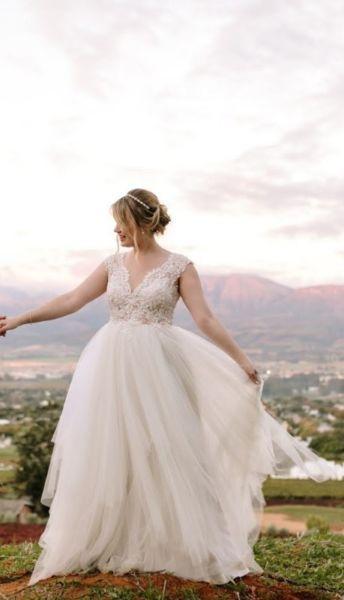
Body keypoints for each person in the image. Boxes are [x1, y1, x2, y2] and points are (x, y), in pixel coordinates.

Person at [0, 188, 336, 587]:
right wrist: (18, 320)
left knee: (167, 449)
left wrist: (241, 361)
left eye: (121, 223)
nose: (115, 230)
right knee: (111, 448)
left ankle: (177, 544)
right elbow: (72, 300)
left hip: (161, 369)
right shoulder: (112, 264)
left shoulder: (179, 266)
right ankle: (109, 539)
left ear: (141, 223)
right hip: (110, 367)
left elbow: (206, 319)